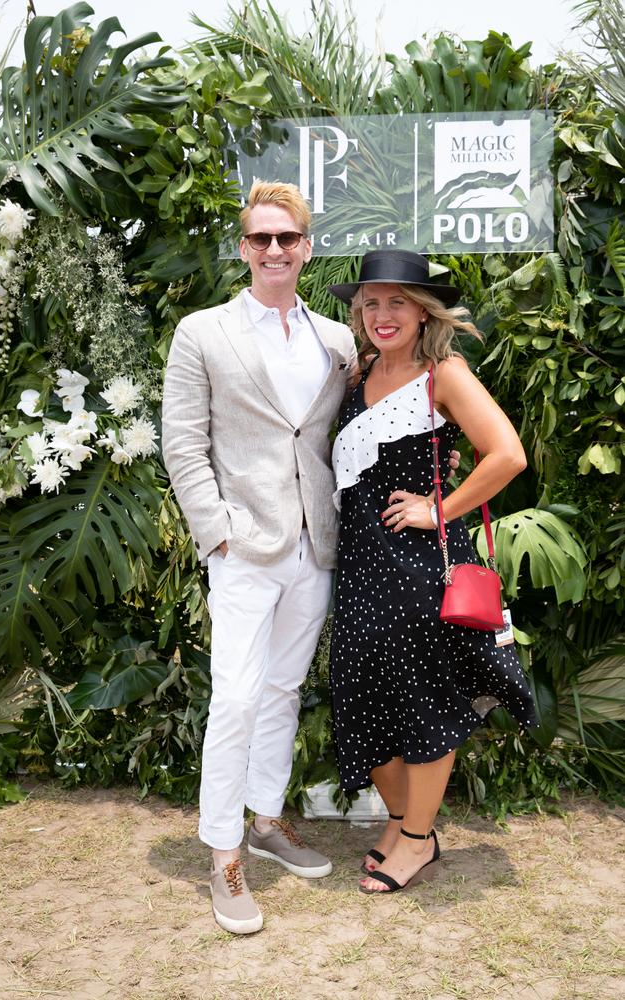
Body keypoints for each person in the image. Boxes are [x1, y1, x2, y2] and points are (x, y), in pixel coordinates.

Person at [161, 181, 357, 934]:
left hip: (315, 544)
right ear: (244, 247)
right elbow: (183, 443)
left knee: (281, 690)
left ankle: (267, 820)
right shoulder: (202, 331)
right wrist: (216, 532)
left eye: (288, 237)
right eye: (261, 238)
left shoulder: (336, 341)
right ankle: (223, 853)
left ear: (307, 247)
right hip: (243, 546)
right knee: (236, 697)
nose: (274, 249)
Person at [327, 249, 537, 895]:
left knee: (421, 705)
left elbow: (507, 455)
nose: (382, 314)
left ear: (423, 311)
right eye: (370, 303)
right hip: (361, 568)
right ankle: (400, 823)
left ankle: (417, 842)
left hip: (417, 569)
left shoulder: (443, 373)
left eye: (397, 302)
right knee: (366, 700)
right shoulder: (359, 373)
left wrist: (437, 509)